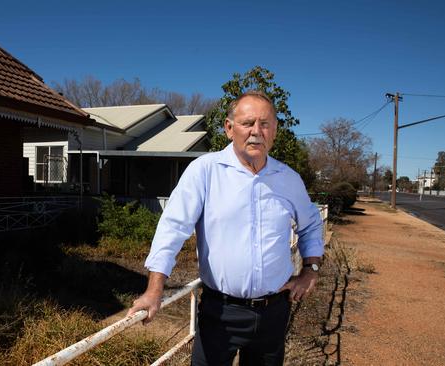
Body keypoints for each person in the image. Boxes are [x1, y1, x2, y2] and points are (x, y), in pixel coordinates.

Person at [127, 91, 324, 366]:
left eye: (265, 124)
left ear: (275, 130)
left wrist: (310, 270)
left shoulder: (289, 179)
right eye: (248, 123)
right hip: (221, 314)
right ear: (229, 128)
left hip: (274, 312)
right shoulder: (205, 171)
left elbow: (312, 224)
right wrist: (154, 290)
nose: (257, 131)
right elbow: (172, 229)